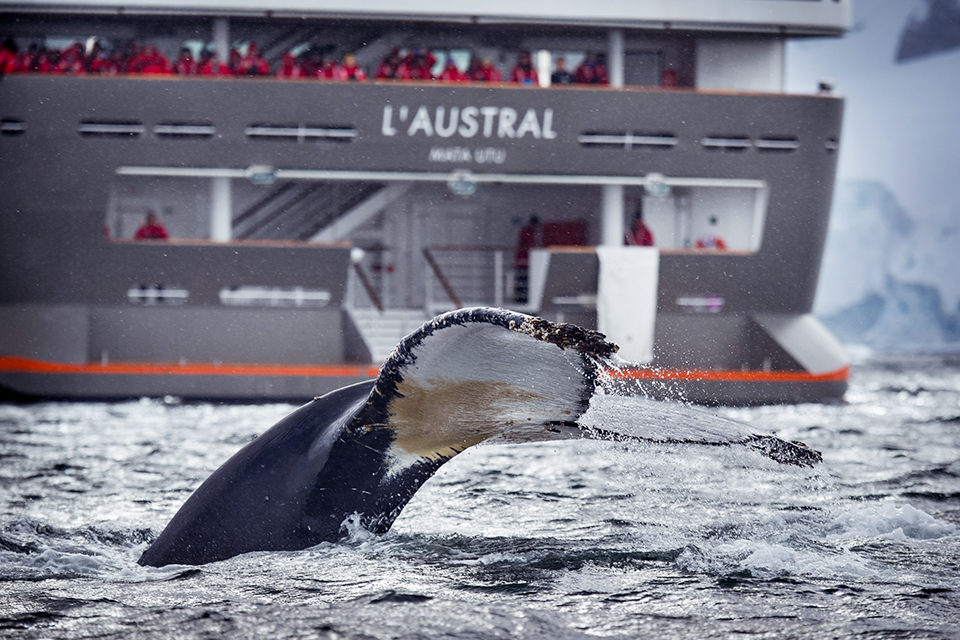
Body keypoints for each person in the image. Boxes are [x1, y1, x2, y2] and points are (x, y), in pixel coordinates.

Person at [514, 216, 543, 303]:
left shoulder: (528, 231)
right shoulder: (529, 232)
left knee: (522, 282)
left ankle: (522, 299)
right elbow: (530, 245)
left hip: (523, 261)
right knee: (523, 281)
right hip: (524, 261)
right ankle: (522, 299)